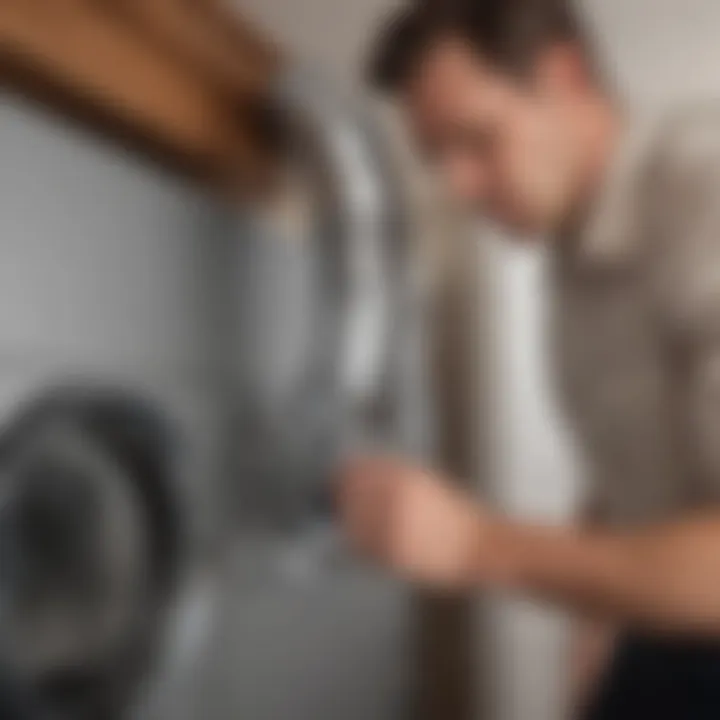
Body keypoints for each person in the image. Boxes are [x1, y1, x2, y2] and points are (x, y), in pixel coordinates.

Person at [337, 1, 720, 718]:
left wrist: (475, 544)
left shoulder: (702, 187)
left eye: (477, 141)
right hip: (666, 625)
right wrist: (591, 631)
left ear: (566, 75)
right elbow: (633, 479)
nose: (457, 188)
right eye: (437, 160)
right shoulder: (568, 269)